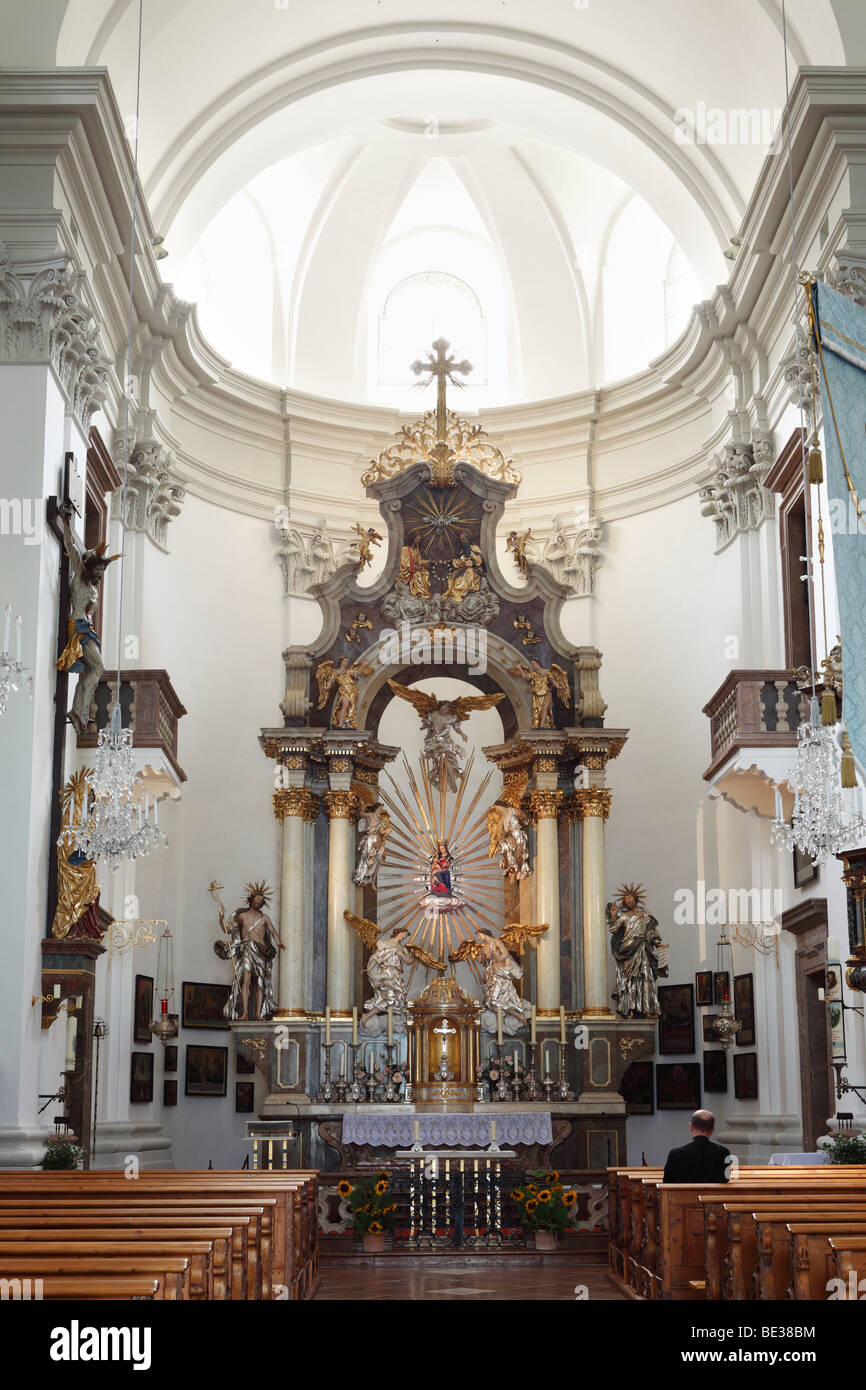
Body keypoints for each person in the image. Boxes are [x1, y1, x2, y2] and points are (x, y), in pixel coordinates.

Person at [662, 1109, 730, 1183]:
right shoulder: (723, 1153)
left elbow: (667, 1182)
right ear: (712, 1131)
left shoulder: (675, 1154)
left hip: (683, 1194)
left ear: (691, 1127)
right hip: (712, 1195)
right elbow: (725, 1179)